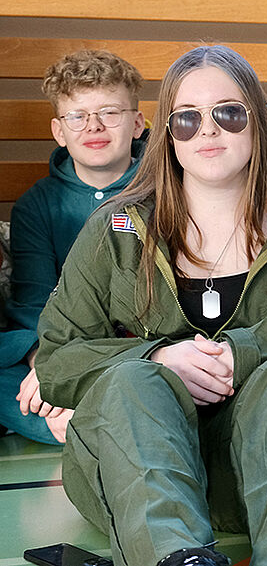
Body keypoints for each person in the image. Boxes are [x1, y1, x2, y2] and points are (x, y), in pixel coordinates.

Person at [35, 45, 267, 566]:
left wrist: (249, 352)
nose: (208, 131)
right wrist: (157, 358)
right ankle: (177, 556)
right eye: (187, 119)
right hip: (137, 477)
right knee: (134, 380)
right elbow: (57, 360)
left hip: (260, 478)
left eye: (229, 114)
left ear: (259, 121)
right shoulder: (116, 230)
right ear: (168, 135)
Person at [0, 49, 146, 445]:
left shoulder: (167, 190)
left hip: (142, 346)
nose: (93, 126)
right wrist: (45, 362)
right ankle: (73, 424)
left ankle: (93, 420)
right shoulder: (37, 205)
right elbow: (33, 304)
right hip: (64, 344)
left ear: (137, 123)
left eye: (110, 112)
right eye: (77, 116)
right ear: (59, 131)